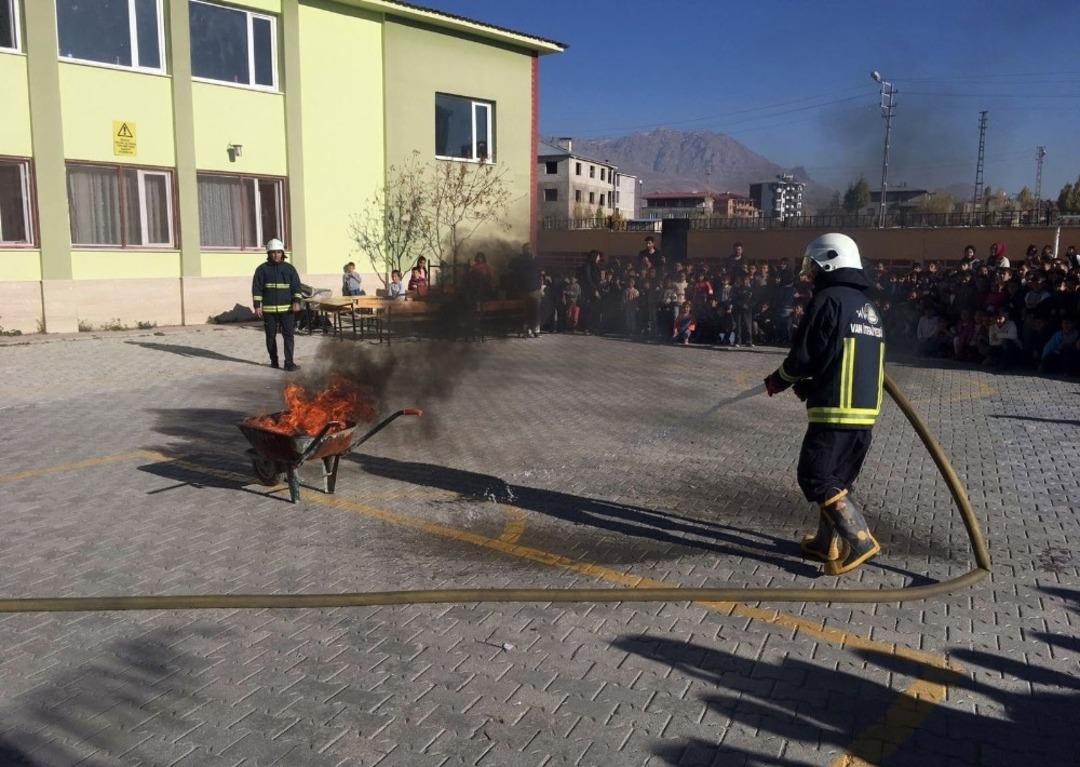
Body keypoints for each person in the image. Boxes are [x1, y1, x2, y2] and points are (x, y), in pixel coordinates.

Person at [763, 233, 885, 575]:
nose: (811, 273)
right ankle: (825, 542)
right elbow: (837, 356)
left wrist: (780, 380)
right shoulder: (866, 306)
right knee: (836, 480)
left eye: (814, 266)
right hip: (863, 414)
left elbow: (804, 355)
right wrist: (811, 385)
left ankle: (859, 540)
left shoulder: (828, 299)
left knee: (815, 476)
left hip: (835, 410)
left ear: (831, 262)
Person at [252, 238, 302, 371]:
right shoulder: (262, 269)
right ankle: (274, 361)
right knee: (270, 337)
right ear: (269, 253)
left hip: (287, 310)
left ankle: (289, 363)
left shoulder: (289, 269)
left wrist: (296, 301)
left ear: (282, 253)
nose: (276, 255)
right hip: (269, 311)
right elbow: (257, 288)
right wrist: (257, 305)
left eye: (278, 252)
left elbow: (296, 287)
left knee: (288, 336)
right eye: (273, 252)